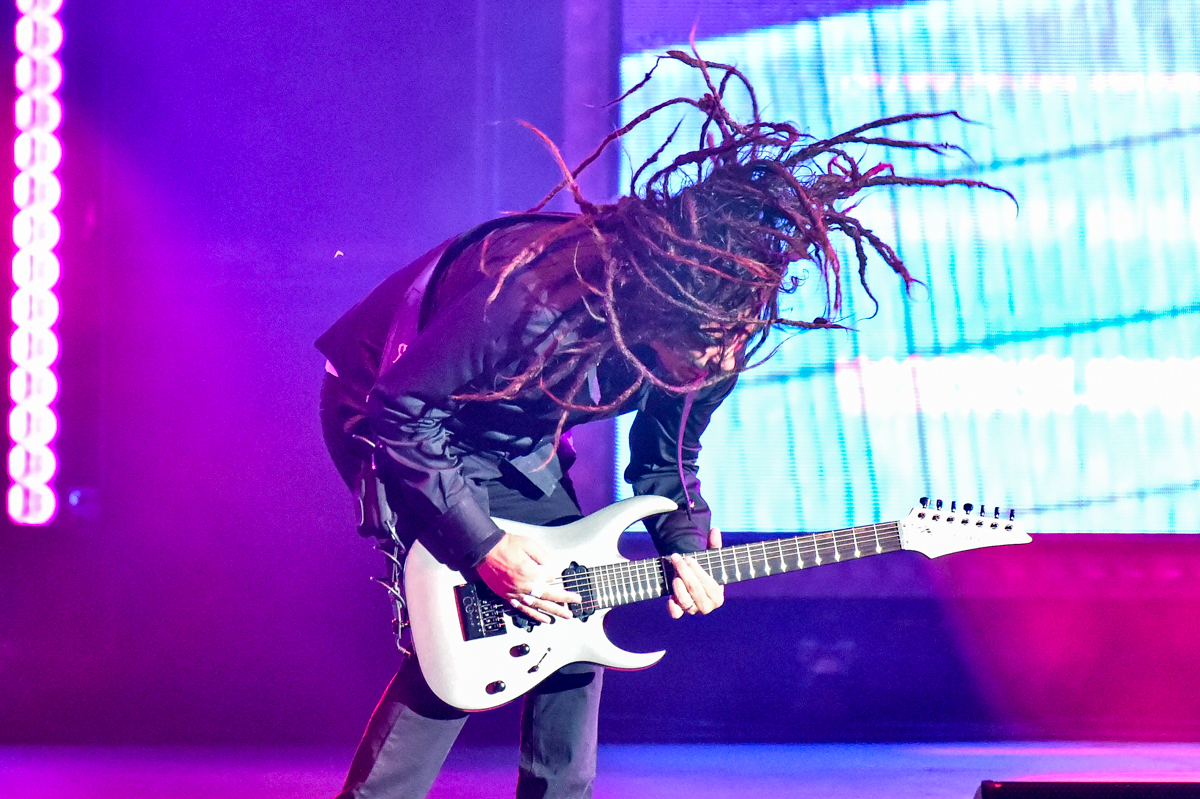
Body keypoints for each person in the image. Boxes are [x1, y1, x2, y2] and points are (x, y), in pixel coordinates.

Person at [317, 52, 1005, 799]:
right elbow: (401, 407)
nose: (717, 360)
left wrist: (683, 544)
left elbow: (666, 456)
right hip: (393, 395)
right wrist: (485, 546)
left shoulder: (718, 331)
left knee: (573, 619)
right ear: (659, 305)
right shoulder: (534, 298)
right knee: (459, 635)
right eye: (704, 346)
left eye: (731, 345)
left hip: (513, 432)